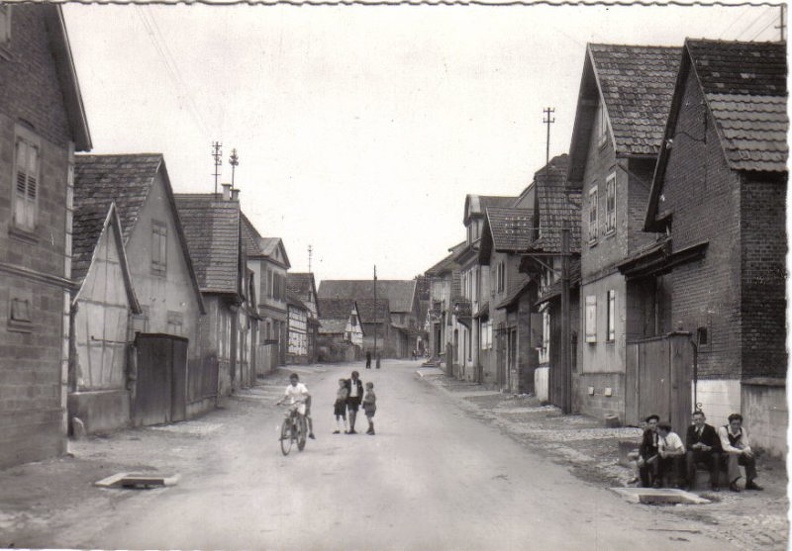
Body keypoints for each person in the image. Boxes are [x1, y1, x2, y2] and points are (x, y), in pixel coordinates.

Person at [718, 413, 763, 492]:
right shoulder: (723, 430)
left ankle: (749, 482)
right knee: (733, 455)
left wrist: (748, 451)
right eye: (733, 424)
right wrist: (742, 451)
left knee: (750, 456)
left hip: (734, 453)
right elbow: (726, 447)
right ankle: (733, 483)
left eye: (738, 424)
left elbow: (745, 444)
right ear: (729, 423)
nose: (736, 426)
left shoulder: (742, 430)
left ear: (740, 424)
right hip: (721, 455)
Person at [685, 410, 722, 491]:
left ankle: (715, 484)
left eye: (700, 419)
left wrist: (709, 448)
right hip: (696, 454)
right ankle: (689, 483)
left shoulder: (710, 429)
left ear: (704, 419)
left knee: (716, 456)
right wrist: (694, 446)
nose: (698, 422)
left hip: (707, 455)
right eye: (696, 420)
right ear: (693, 420)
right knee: (689, 454)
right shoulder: (690, 429)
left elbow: (718, 446)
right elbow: (688, 445)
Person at [276, 373, 314, 438]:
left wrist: (304, 401)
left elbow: (307, 395)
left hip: (302, 403)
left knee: (306, 417)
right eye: (291, 381)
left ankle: (309, 432)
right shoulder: (289, 387)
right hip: (294, 403)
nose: (293, 383)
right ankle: (290, 430)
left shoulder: (301, 386)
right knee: (287, 416)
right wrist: (280, 401)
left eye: (294, 381)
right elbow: (286, 397)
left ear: (297, 380)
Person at [655, 422, 686, 488]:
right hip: (668, 455)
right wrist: (662, 453)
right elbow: (660, 448)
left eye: (658, 429)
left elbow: (680, 451)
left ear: (663, 430)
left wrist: (669, 453)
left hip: (678, 455)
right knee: (659, 457)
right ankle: (658, 480)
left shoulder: (674, 436)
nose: (657, 431)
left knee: (677, 459)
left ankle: (677, 482)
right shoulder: (661, 436)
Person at [637, 414, 660, 488]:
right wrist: (641, 457)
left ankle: (656, 481)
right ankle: (645, 484)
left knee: (654, 461)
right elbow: (643, 446)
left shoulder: (661, 432)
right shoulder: (647, 433)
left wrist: (653, 457)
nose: (653, 425)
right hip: (650, 453)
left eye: (655, 423)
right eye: (651, 424)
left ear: (657, 424)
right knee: (642, 463)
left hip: (659, 453)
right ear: (648, 425)